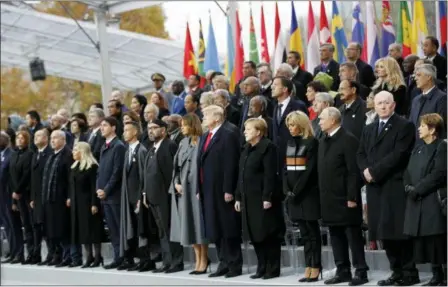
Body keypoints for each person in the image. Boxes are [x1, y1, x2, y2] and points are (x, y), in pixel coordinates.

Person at [356, 91, 418, 286]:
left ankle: (409, 272)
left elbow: (399, 155)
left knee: (398, 230)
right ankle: (396, 271)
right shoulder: (369, 128)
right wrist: (365, 171)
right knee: (383, 231)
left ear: (393, 105)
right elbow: (360, 153)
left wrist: (373, 171)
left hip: (394, 184)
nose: (382, 106)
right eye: (379, 103)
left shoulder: (404, 125)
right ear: (374, 106)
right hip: (375, 187)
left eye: (386, 103)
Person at [318, 107, 369, 286]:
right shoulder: (323, 140)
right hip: (329, 199)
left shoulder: (348, 139)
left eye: (322, 118)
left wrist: (352, 197)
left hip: (346, 199)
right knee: (335, 236)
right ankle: (343, 270)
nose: (319, 121)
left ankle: (361, 271)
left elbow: (353, 172)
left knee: (353, 236)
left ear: (333, 120)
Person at [234, 118, 283, 280]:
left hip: (263, 198)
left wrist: (267, 197)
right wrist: (238, 197)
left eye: (248, 129)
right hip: (249, 199)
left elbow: (270, 175)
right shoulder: (246, 148)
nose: (245, 132)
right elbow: (240, 175)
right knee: (255, 234)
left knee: (268, 233)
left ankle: (273, 267)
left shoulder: (268, 148)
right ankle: (261, 265)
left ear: (258, 132)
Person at [198, 105, 242, 278]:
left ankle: (234, 263)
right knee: (214, 226)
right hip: (208, 188)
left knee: (228, 226)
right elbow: (200, 163)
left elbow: (231, 163)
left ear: (216, 117)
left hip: (222, 189)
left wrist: (228, 188)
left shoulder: (229, 133)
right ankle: (223, 262)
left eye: (205, 116)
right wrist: (198, 188)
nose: (203, 119)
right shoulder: (205, 136)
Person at [403, 114, 447, 286]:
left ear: (432, 129)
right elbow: (407, 172)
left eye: (422, 126)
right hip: (417, 199)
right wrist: (408, 187)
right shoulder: (418, 148)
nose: (419, 128)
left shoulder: (442, 147)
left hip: (432, 199)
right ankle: (436, 274)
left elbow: (439, 174)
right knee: (428, 241)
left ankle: (442, 275)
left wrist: (418, 189)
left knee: (437, 239)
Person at [283, 111, 321, 282]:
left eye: (293, 124)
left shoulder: (312, 142)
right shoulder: (290, 142)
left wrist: (296, 191)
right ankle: (308, 265)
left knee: (312, 232)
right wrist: (287, 189)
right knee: (304, 234)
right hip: (293, 196)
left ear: (302, 124)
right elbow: (286, 169)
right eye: (289, 125)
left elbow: (310, 171)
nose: (290, 128)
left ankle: (316, 266)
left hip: (308, 194)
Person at [169, 114, 209, 274]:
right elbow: (176, 167)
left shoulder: (202, 141)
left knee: (199, 225)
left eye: (185, 125)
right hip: (183, 190)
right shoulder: (182, 142)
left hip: (196, 190)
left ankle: (204, 258)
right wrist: (176, 183)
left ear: (192, 125)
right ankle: (197, 257)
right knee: (189, 224)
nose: (182, 128)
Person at [142, 119, 182, 273]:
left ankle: (176, 262)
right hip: (153, 197)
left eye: (154, 128)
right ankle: (167, 262)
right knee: (162, 231)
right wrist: (145, 193)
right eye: (149, 128)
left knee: (170, 229)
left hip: (166, 197)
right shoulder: (152, 148)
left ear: (164, 130)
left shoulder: (169, 145)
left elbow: (172, 172)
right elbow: (147, 174)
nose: (151, 131)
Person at [42, 130, 78, 267]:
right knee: (52, 229)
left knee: (63, 228)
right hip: (50, 199)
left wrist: (69, 196)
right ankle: (56, 254)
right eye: (51, 138)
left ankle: (67, 256)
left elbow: (70, 179)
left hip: (62, 199)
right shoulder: (52, 156)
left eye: (55, 138)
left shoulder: (68, 155)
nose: (52, 140)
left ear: (63, 140)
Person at [118, 121, 150, 272]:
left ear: (135, 132)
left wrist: (140, 196)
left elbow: (143, 176)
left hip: (138, 197)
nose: (124, 133)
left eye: (127, 130)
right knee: (133, 227)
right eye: (123, 130)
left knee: (141, 229)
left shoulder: (141, 150)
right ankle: (135, 258)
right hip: (128, 196)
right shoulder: (127, 151)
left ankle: (146, 259)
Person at [96, 117, 126, 269]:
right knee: (113, 229)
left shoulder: (118, 146)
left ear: (113, 128)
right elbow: (101, 171)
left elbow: (117, 172)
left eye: (105, 125)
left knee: (119, 228)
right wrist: (98, 189)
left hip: (114, 195)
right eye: (100, 126)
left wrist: (106, 190)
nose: (101, 128)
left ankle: (124, 257)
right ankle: (117, 257)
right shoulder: (104, 146)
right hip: (105, 195)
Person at [69, 142, 104, 268]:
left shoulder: (92, 166)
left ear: (82, 151)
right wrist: (70, 198)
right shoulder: (74, 166)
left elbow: (94, 186)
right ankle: (89, 257)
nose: (73, 152)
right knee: (83, 231)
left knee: (93, 230)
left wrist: (94, 203)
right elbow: (71, 185)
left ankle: (98, 256)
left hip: (89, 203)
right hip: (77, 204)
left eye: (75, 150)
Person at [271, 76, 308, 174]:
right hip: (278, 158)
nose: (272, 87)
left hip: (294, 156)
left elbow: (303, 131)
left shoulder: (298, 105)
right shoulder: (275, 107)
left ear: (285, 89)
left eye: (275, 85)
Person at [9, 131, 34, 264]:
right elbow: (11, 176)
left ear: (26, 140)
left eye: (22, 138)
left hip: (26, 194)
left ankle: (32, 252)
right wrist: (14, 195)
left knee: (30, 224)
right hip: (16, 195)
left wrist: (18, 190)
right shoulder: (13, 155)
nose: (19, 140)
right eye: (17, 138)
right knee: (24, 224)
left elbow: (26, 174)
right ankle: (23, 253)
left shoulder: (29, 154)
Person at [30, 129, 52, 265]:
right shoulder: (35, 155)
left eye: (39, 136)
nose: (36, 138)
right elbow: (33, 178)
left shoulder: (49, 154)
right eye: (35, 136)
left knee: (47, 226)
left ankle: (52, 253)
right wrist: (32, 197)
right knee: (37, 226)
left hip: (47, 196)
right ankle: (36, 254)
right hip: (36, 198)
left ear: (46, 138)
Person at [409, 64, 447, 144]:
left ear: (429, 77)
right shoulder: (416, 100)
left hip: (432, 146)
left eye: (418, 75)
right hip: (416, 147)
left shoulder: (442, 98)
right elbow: (411, 124)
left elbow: (441, 126)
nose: (415, 78)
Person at [0, 132, 23, 264]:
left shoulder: (11, 155)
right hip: (1, 196)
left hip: (9, 195)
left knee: (14, 225)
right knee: (7, 226)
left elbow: (13, 177)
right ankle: (13, 252)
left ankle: (18, 253)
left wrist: (15, 199)